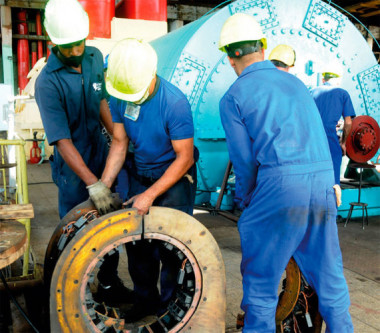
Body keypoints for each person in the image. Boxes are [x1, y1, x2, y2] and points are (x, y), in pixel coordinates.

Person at [218, 13, 353, 332]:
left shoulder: (233, 97)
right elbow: (318, 139)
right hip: (321, 187)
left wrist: (247, 200)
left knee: (261, 290)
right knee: (331, 284)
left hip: (278, 189)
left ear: (229, 57)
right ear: (263, 48)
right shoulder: (296, 84)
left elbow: (245, 163)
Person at [95, 38, 197, 322]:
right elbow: (119, 141)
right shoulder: (120, 94)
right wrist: (103, 185)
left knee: (172, 248)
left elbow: (184, 157)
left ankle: (169, 307)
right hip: (139, 171)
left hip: (174, 176)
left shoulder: (175, 103)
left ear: (152, 75)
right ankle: (145, 302)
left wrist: (150, 195)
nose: (132, 99)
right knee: (138, 244)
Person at [35, 0, 129, 304]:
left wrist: (118, 137)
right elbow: (62, 140)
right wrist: (93, 183)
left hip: (100, 153)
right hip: (73, 168)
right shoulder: (47, 83)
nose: (76, 51)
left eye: (80, 43)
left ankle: (109, 282)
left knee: (109, 220)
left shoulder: (93, 56)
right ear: (53, 43)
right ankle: (74, 289)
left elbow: (101, 101)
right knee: (77, 229)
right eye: (69, 47)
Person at [311, 71, 356, 206]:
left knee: (312, 180)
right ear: (337, 80)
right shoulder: (342, 93)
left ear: (323, 79)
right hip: (331, 143)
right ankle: (330, 216)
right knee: (333, 183)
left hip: (312, 144)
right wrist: (343, 143)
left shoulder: (311, 92)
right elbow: (348, 122)